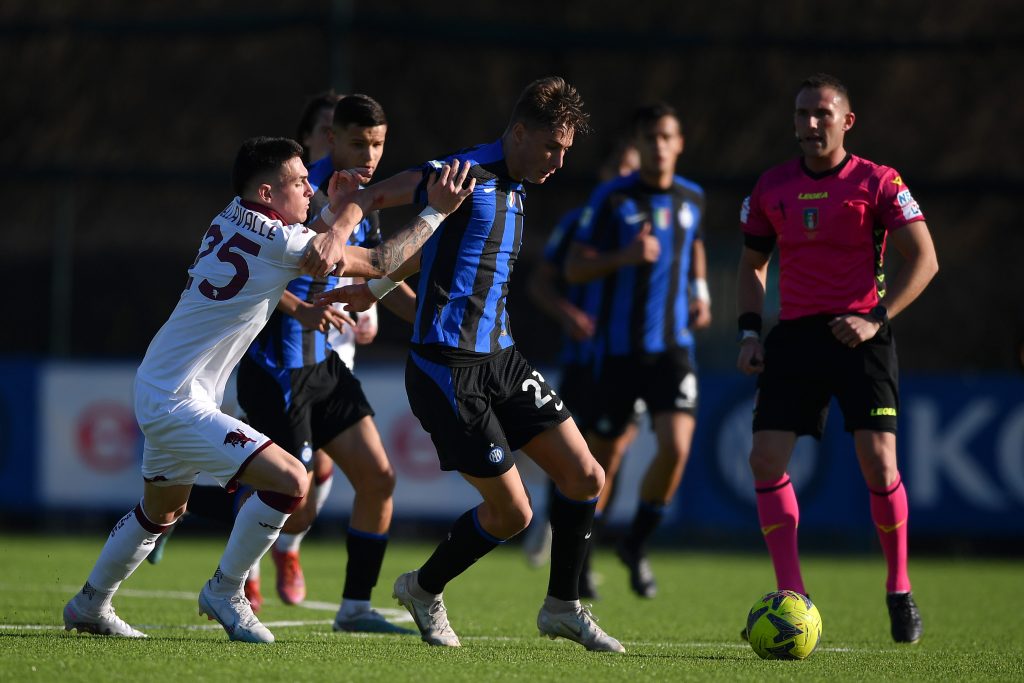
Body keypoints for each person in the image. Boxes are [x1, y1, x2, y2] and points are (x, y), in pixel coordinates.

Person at [61, 136, 473, 643]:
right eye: (300, 181)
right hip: (176, 398)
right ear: (266, 191)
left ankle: (89, 603)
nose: (309, 187)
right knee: (290, 480)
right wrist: (434, 214)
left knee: (162, 511)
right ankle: (226, 590)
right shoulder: (281, 241)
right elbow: (379, 261)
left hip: (165, 384)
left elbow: (315, 240)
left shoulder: (235, 214)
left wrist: (334, 209)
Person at [314, 76, 625, 653]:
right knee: (512, 515)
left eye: (566, 152)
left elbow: (439, 254)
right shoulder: (458, 174)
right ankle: (423, 589)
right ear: (519, 132)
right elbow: (373, 197)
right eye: (552, 147)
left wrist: (378, 289)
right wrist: (337, 228)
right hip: (446, 371)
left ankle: (562, 606)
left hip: (502, 360)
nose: (558, 162)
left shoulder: (519, 182)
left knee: (586, 477)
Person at [735, 73, 938, 644]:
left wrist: (876, 317)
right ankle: (792, 594)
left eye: (822, 113)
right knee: (764, 460)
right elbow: (752, 265)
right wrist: (749, 334)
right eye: (802, 114)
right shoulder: (772, 186)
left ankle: (899, 589)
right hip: (795, 338)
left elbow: (923, 259)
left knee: (879, 464)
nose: (810, 124)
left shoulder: (878, 181)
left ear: (847, 121)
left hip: (861, 336)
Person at [238, 94, 415, 634]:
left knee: (378, 478)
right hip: (278, 363)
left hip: (327, 367)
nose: (368, 155)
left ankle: (355, 608)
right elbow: (250, 261)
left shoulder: (367, 199)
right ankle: (185, 511)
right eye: (357, 143)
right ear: (330, 139)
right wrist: (300, 307)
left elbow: (374, 272)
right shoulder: (299, 189)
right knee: (295, 498)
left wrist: (432, 317)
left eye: (377, 145)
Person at [565, 102, 711, 599]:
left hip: (673, 348)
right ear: (640, 143)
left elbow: (693, 243)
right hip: (619, 352)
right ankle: (582, 559)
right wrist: (624, 256)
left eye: (667, 137)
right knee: (603, 459)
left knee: (677, 446)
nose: (659, 146)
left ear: (680, 142)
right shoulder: (611, 199)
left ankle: (636, 544)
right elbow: (575, 269)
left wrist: (701, 292)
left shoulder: (693, 196)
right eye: (650, 138)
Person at [523, 139, 640, 595]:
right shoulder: (581, 223)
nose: (628, 182)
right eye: (621, 170)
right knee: (577, 454)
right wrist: (568, 314)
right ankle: (558, 529)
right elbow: (540, 283)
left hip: (631, 361)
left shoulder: (652, 227)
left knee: (613, 456)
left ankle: (580, 554)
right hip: (584, 360)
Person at [296, 89, 343, 166]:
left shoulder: (363, 176)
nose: (334, 139)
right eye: (327, 131)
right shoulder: (280, 177)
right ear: (307, 137)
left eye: (341, 133)